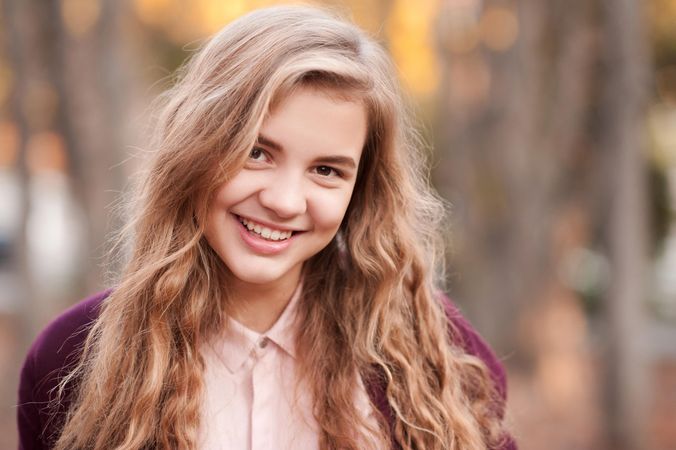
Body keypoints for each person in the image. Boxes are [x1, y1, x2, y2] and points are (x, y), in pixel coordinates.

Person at [17, 5, 516, 450]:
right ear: (197, 150)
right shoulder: (72, 358)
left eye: (327, 170)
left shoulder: (434, 353)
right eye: (257, 152)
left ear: (359, 190)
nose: (282, 201)